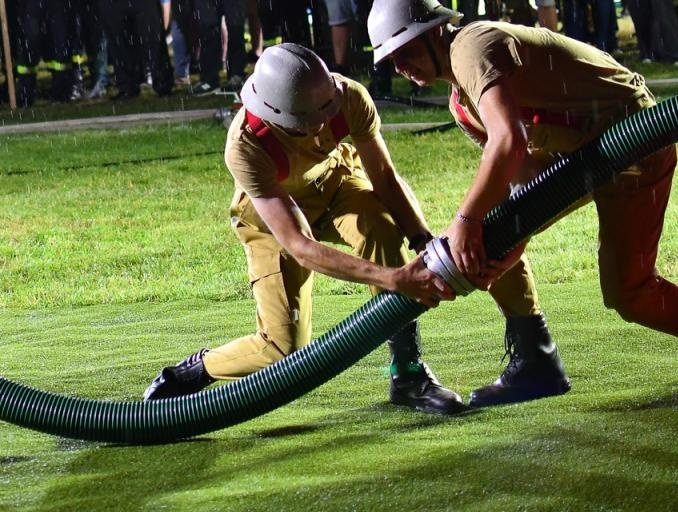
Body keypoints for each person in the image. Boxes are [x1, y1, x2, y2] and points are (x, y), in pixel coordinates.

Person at [368, 0, 678, 408]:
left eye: (405, 50)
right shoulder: (460, 104)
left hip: (633, 140)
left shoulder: (471, 45)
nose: (399, 65)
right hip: (587, 158)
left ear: (434, 31)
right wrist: (505, 244)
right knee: (494, 235)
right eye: (391, 58)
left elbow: (509, 143)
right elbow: (525, 176)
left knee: (630, 291)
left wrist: (465, 221)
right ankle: (535, 362)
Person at [143, 44, 464, 415]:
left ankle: (409, 376)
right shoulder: (245, 146)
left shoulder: (349, 96)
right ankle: (200, 368)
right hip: (272, 223)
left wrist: (422, 239)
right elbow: (299, 245)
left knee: (379, 227)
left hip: (337, 184)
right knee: (282, 351)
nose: (319, 129)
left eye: (325, 114)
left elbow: (385, 178)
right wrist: (393, 279)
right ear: (274, 114)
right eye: (304, 124)